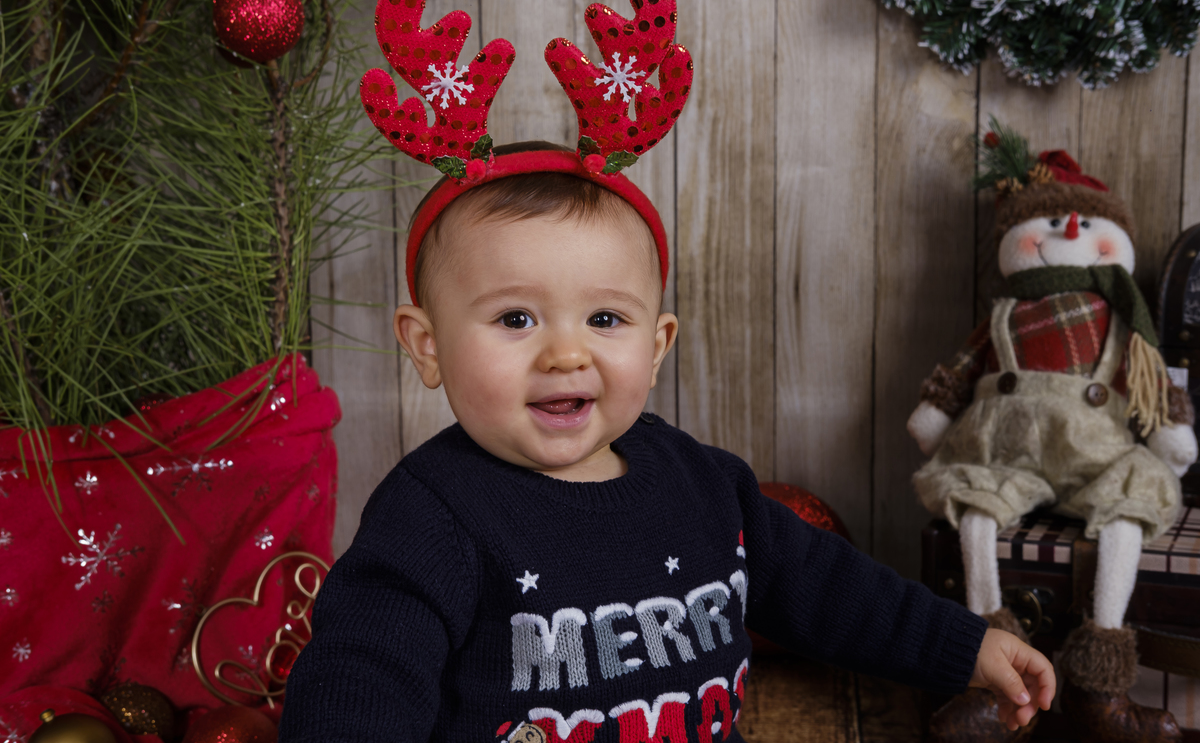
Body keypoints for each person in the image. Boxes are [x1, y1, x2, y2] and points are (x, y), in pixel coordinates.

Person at [278, 140, 1056, 743]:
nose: (565, 354)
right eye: (515, 318)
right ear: (427, 345)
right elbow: (361, 679)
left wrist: (964, 648)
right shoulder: (432, 517)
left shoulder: (701, 483)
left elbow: (833, 588)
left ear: (655, 344)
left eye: (605, 319)